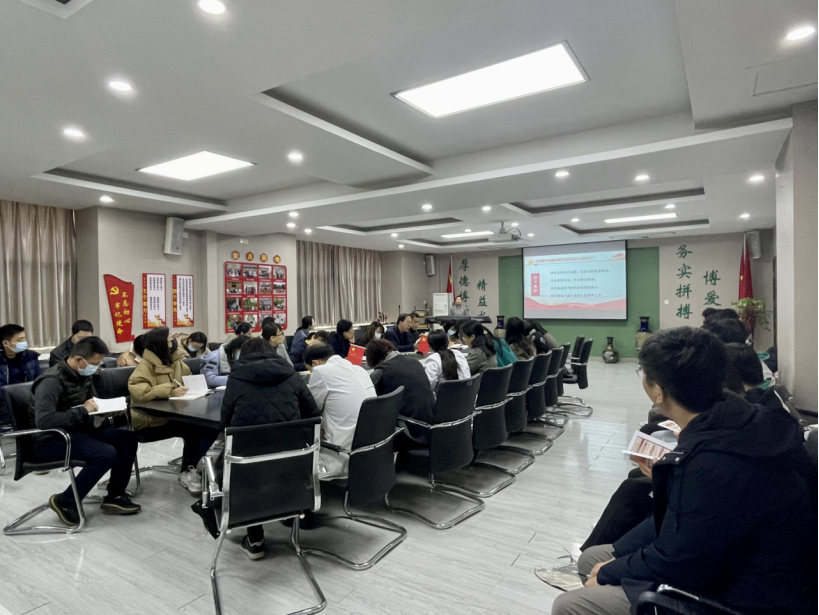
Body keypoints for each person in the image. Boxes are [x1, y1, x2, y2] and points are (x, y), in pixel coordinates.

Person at [552, 327, 814, 615]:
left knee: (570, 604)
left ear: (657, 391)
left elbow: (680, 562)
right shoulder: (746, 419)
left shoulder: (709, 463)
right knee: (592, 558)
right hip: (751, 565)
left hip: (745, 596)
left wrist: (609, 573)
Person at [219, 336, 320, 560]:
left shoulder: (236, 378)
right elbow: (312, 415)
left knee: (243, 464)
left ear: (243, 355)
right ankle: (293, 512)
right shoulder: (291, 374)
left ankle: (255, 540)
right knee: (280, 460)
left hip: (248, 464)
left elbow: (225, 425)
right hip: (292, 458)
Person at [32, 336, 140, 525]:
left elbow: (91, 403)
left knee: (128, 439)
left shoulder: (83, 375)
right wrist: (83, 411)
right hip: (51, 439)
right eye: (94, 363)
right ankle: (65, 501)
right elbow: (45, 420)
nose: (96, 367)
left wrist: (106, 409)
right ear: (79, 359)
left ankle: (115, 495)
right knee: (106, 453)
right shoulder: (51, 381)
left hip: (79, 431)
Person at [128, 327, 218, 493]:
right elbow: (141, 393)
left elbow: (188, 380)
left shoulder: (177, 362)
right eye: (169, 339)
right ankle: (188, 471)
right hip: (151, 421)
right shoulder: (144, 367)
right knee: (192, 429)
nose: (173, 341)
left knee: (210, 427)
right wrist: (170, 390)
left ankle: (194, 466)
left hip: (176, 416)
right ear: (160, 344)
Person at [303, 342, 376, 477]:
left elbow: (311, 410)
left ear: (314, 363)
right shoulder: (359, 369)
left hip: (342, 454)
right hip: (372, 452)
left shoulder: (320, 371)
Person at [365, 338, 434, 447]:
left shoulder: (380, 373)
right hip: (431, 428)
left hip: (409, 433)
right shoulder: (415, 362)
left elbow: (368, 406)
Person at [0, 323, 42, 424]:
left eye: (24, 338)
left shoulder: (30, 356)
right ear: (6, 343)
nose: (24, 342)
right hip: (3, 405)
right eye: (20, 339)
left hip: (28, 402)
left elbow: (39, 380)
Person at [424, 330, 470, 395]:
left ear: (430, 346)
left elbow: (428, 386)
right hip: (466, 396)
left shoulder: (433, 359)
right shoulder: (458, 354)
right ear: (448, 342)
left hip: (445, 399)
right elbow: (467, 377)